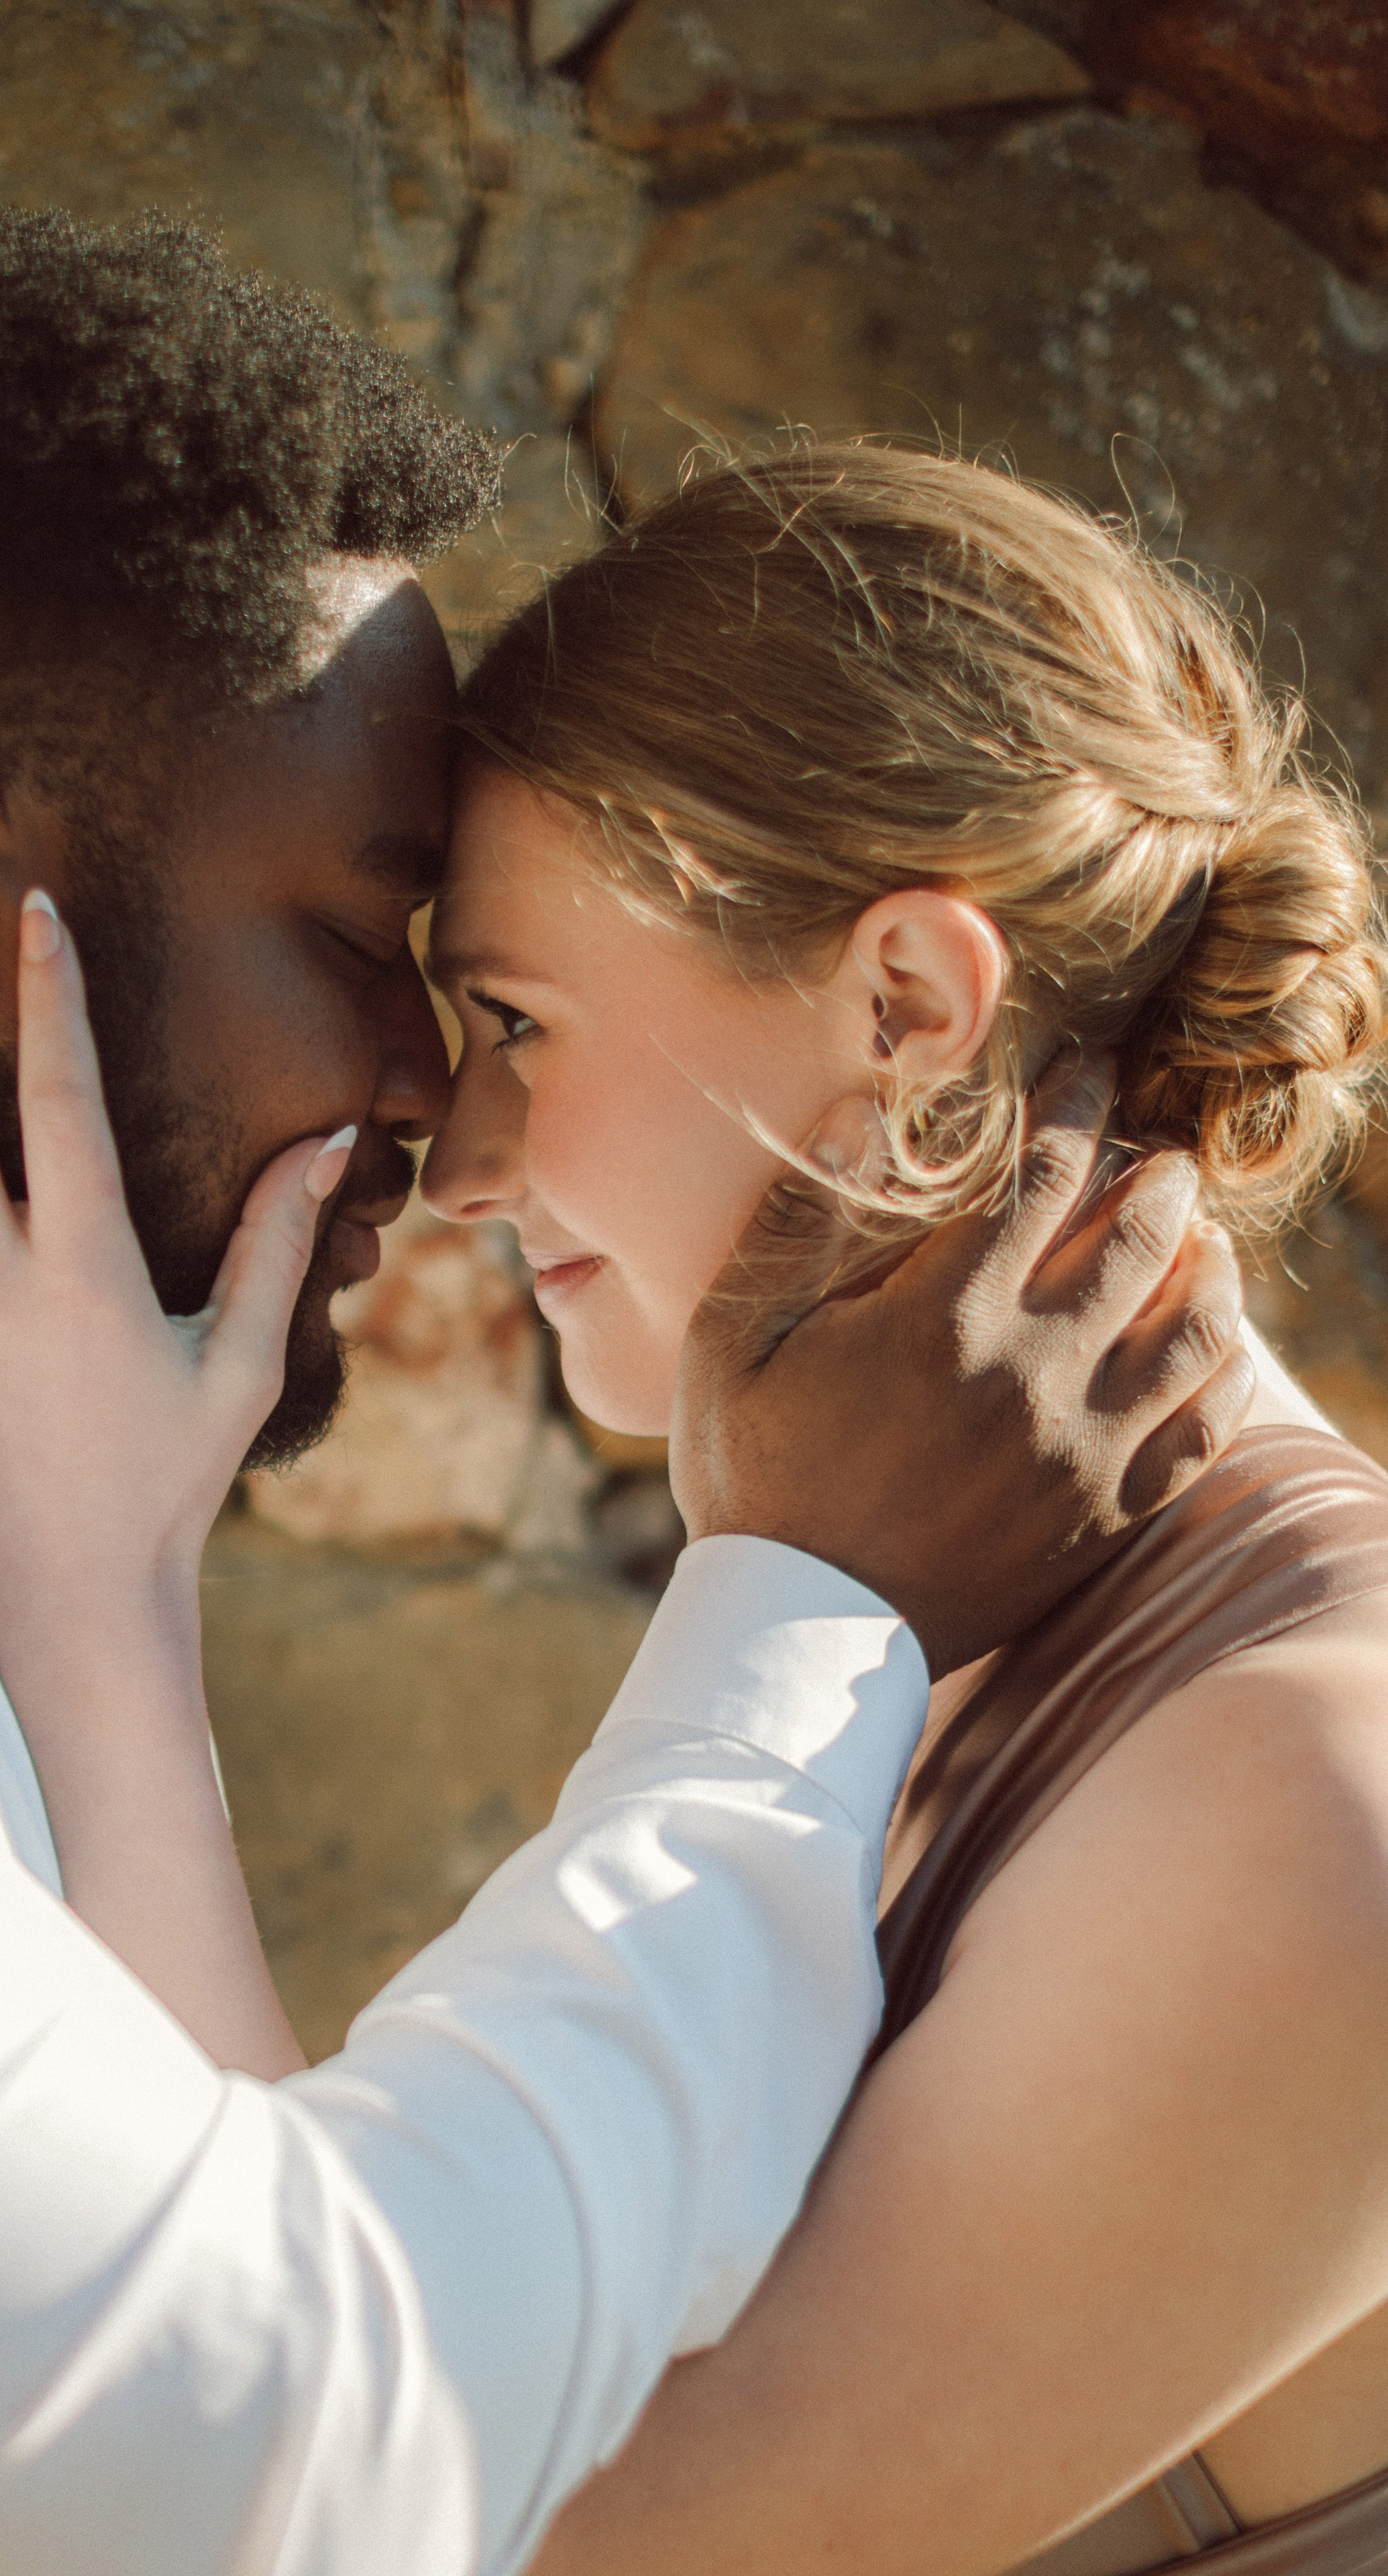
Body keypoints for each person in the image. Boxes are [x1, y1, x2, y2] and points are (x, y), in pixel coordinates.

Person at [0, 197, 1248, 2576]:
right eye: (362, 939)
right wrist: (796, 1619)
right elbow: (231, 2472)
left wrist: (86, 1603)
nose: (428, 1098)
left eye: (495, 1006)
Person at [380, 441, 1386, 2576]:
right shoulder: (926, 1633)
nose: (457, 1164)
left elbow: (391, 2524)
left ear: (909, 1007)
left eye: (517, 1019)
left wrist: (91, 1590)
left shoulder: (1323, 1791)